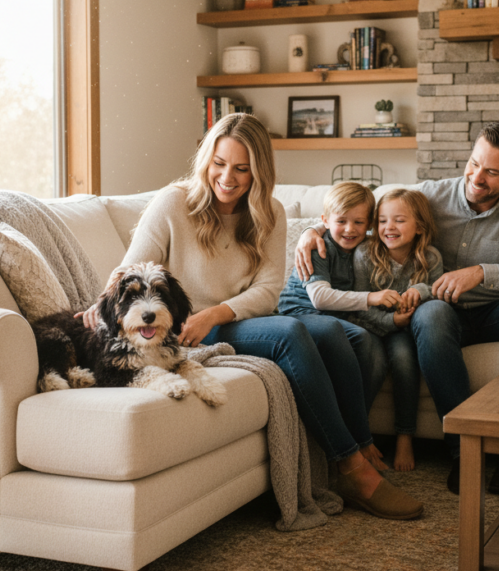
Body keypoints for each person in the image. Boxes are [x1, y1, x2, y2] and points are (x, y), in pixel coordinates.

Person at [78, 113, 423, 519]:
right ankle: (353, 468)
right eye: (219, 164)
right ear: (206, 160)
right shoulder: (173, 202)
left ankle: (355, 448)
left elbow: (267, 291)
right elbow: (131, 267)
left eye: (242, 169)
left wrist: (216, 314)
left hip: (231, 319)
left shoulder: (270, 212)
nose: (228, 177)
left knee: (333, 333)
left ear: (258, 171)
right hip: (185, 327)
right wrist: (102, 303)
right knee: (291, 333)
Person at [295, 121, 499, 495]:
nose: (476, 177)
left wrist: (481, 273)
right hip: (440, 313)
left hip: (496, 310)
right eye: (474, 163)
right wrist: (313, 231)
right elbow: (363, 211)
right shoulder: (431, 195)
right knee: (431, 311)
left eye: (491, 171)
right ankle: (461, 449)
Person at [276, 181, 400, 470]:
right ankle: (362, 440)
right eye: (341, 221)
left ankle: (352, 433)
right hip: (299, 314)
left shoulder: (364, 249)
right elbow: (319, 298)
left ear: (369, 224)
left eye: (359, 222)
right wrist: (373, 298)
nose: (349, 229)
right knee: (362, 339)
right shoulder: (320, 247)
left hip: (334, 319)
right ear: (324, 221)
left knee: (378, 354)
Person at [347, 188, 443, 472]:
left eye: (399, 220)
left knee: (404, 360)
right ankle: (357, 439)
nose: (389, 228)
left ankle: (405, 436)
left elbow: (439, 293)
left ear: (419, 227)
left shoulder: (431, 257)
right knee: (370, 365)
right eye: (382, 221)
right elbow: (358, 305)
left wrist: (420, 290)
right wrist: (391, 322)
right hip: (371, 327)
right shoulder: (365, 254)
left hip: (405, 332)